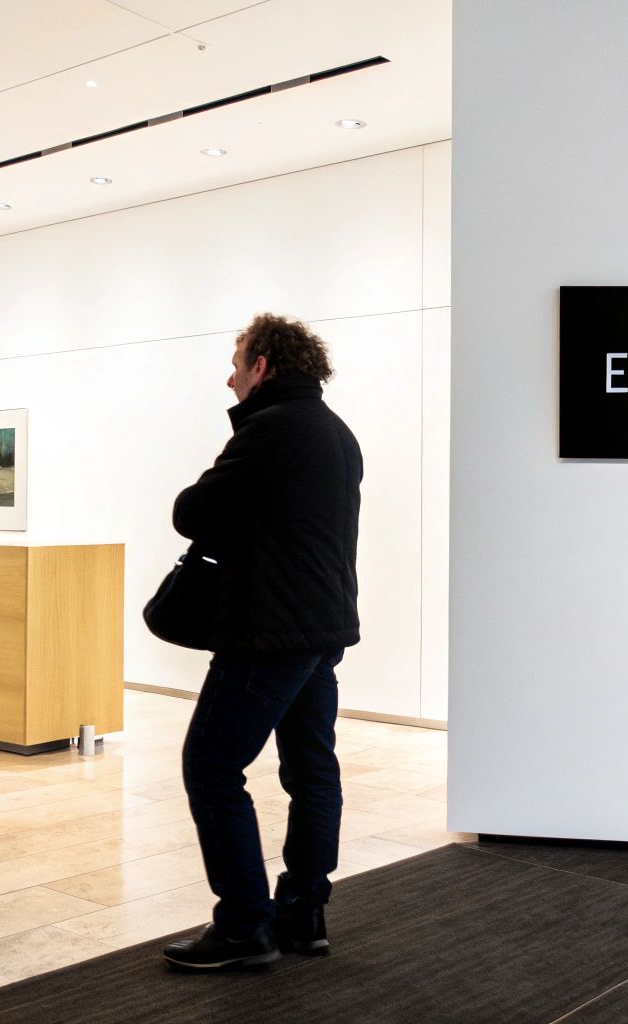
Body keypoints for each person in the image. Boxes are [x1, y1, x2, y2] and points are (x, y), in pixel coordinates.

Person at [164, 313, 363, 971]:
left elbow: (192, 512)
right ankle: (303, 912)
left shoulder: (271, 428)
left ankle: (245, 924)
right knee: (312, 769)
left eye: (238, 361)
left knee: (212, 765)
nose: (230, 376)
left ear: (264, 366)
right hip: (322, 626)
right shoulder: (337, 433)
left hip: (270, 630)